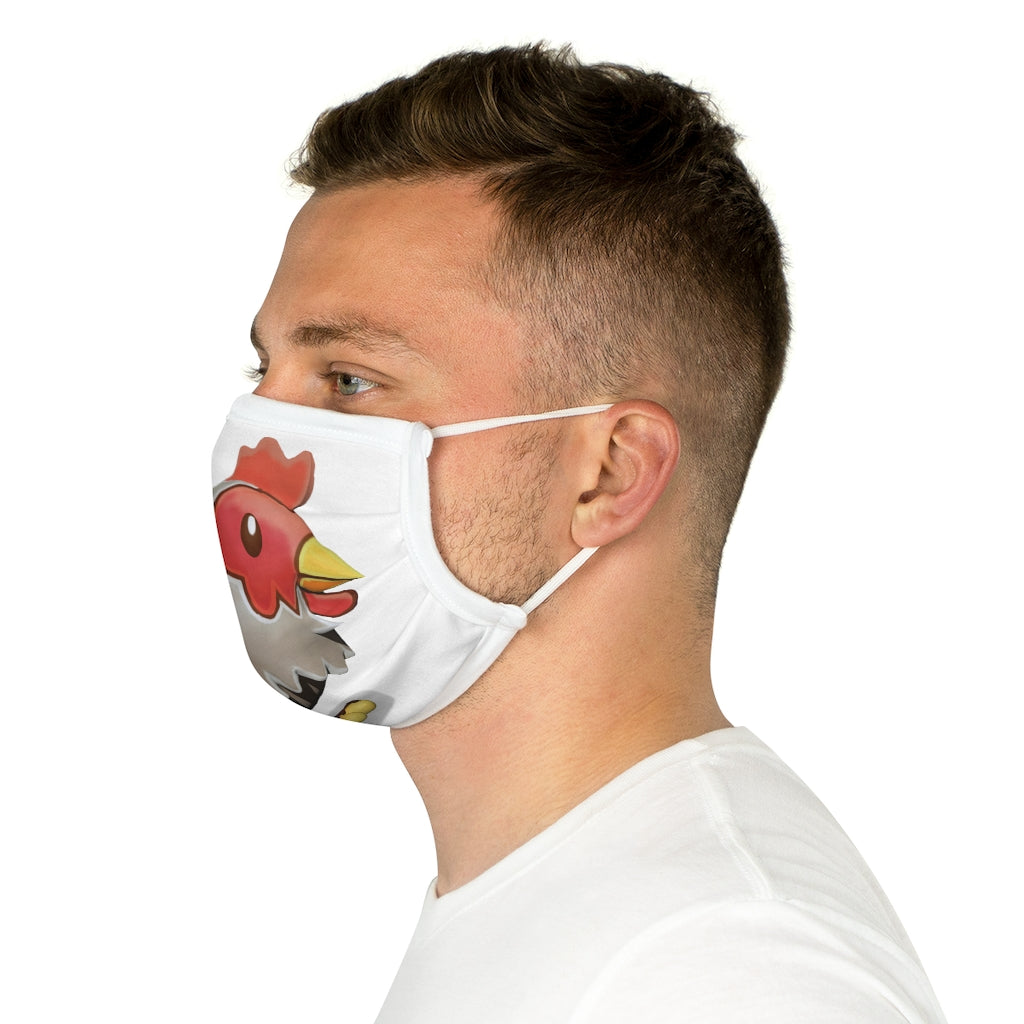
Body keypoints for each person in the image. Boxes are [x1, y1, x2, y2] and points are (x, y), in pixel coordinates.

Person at [213, 44, 947, 1022]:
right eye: (262, 373)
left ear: (610, 472)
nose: (259, 440)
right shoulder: (581, 900)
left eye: (348, 381)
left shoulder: (729, 972)